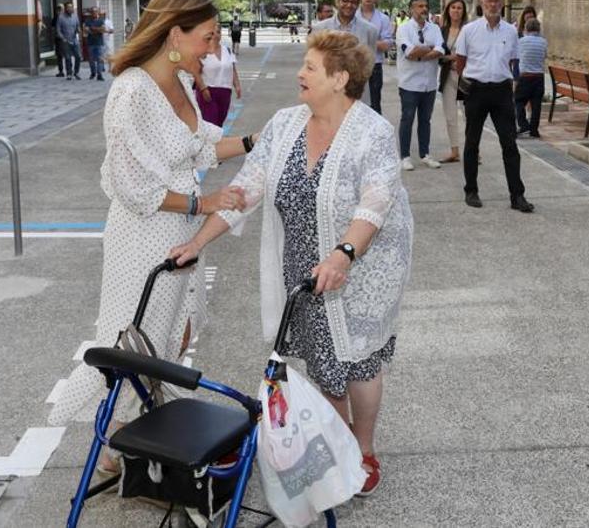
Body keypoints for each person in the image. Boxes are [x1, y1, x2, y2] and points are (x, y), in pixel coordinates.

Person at [169, 30, 413, 498]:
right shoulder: (284, 125)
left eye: (310, 67)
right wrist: (199, 242)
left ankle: (362, 449)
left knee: (359, 359)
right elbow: (244, 190)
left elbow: (376, 203)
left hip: (365, 264)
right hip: (303, 261)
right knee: (323, 360)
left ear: (340, 78)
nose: (299, 73)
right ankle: (335, 441)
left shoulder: (373, 132)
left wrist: (343, 253)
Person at [47, 0, 253, 474]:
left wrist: (256, 140)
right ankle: (115, 438)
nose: (213, 48)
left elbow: (203, 148)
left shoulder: (179, 84)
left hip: (176, 231)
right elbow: (131, 184)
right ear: (175, 34)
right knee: (133, 341)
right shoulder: (132, 90)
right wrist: (205, 202)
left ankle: (141, 430)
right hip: (142, 235)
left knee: (173, 334)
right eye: (207, 37)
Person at [455, 0, 534, 213]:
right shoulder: (469, 30)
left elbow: (514, 61)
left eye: (497, 1)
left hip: (501, 91)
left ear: (501, 4)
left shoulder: (510, 31)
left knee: (509, 143)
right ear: (482, 2)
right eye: (489, 1)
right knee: (472, 142)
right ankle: (471, 190)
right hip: (476, 90)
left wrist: (512, 84)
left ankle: (517, 195)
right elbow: (460, 61)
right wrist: (468, 83)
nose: (492, 5)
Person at [395, 0, 444, 170]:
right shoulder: (404, 29)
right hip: (409, 84)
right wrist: (429, 50)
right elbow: (408, 52)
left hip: (429, 84)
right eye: (419, 6)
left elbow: (440, 49)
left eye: (425, 6)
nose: (424, 9)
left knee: (425, 120)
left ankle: (425, 154)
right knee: (407, 119)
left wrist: (420, 55)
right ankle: (405, 157)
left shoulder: (435, 29)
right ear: (411, 9)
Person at [311, 0, 379, 76]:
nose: (349, 5)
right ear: (337, 1)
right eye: (345, 1)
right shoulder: (319, 29)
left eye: (353, 2)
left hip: (358, 87)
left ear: (358, 4)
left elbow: (370, 63)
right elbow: (313, 60)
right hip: (328, 86)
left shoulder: (370, 30)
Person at [436, 0, 468, 163]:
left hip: (467, 78)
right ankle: (454, 151)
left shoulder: (469, 30)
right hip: (448, 76)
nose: (456, 10)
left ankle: (473, 151)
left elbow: (476, 54)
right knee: (450, 116)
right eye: (453, 7)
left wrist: (461, 62)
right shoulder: (442, 31)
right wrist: (452, 58)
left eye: (459, 8)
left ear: (463, 11)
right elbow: (438, 55)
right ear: (448, 10)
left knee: (469, 116)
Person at [358, 0, 395, 114]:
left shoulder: (383, 19)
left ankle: (374, 134)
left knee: (374, 104)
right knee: (354, 104)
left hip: (375, 66)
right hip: (354, 65)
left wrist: (360, 40)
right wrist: (375, 41)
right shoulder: (353, 17)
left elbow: (386, 45)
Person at [198, 25, 242, 127]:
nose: (216, 35)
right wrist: (203, 88)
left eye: (218, 32)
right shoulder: (202, 51)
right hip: (208, 91)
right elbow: (196, 72)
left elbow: (232, 69)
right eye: (212, 33)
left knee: (219, 122)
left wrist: (237, 86)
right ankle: (210, 142)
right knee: (210, 122)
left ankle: (216, 142)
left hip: (225, 91)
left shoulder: (227, 50)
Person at [515, 19, 548, 138]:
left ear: (526, 28)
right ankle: (534, 130)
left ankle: (523, 124)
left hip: (525, 77)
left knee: (518, 101)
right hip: (539, 78)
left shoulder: (521, 41)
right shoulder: (543, 42)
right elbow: (544, 56)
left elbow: (517, 56)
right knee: (536, 105)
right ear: (538, 29)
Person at [85, 7, 113, 81]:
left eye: (96, 12)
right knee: (91, 59)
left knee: (100, 59)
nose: (94, 13)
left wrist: (93, 29)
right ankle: (93, 72)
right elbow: (87, 30)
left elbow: (103, 30)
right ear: (91, 13)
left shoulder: (101, 21)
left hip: (99, 42)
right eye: (93, 12)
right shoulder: (87, 21)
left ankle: (99, 74)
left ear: (97, 12)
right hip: (90, 42)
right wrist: (98, 29)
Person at [56, 2, 82, 80]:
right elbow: (58, 30)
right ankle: (69, 73)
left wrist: (79, 30)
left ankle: (76, 72)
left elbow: (78, 26)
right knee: (68, 58)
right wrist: (62, 38)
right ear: (65, 8)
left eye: (71, 7)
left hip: (74, 40)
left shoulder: (75, 16)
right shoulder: (61, 17)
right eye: (68, 7)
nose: (70, 9)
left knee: (78, 56)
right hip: (65, 40)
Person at [51, 3, 65, 76]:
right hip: (58, 39)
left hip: (66, 39)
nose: (59, 11)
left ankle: (69, 70)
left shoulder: (66, 17)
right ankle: (61, 71)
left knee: (67, 55)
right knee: (59, 55)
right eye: (58, 9)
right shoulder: (55, 18)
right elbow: (53, 28)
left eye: (61, 9)